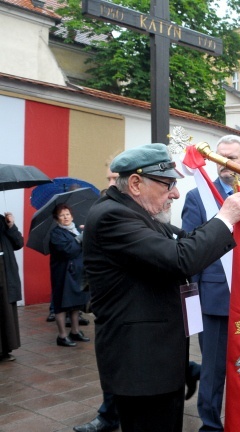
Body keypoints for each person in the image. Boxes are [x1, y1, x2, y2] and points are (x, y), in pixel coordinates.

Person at [83, 143, 240, 432]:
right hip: (141, 367)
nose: (175, 193)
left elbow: (188, 239)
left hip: (158, 362)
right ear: (135, 183)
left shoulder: (139, 214)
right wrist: (225, 218)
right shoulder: (113, 217)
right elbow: (180, 258)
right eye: (168, 184)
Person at [181, 135, 240, 432]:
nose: (225, 164)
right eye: (219, 158)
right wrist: (192, 303)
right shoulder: (198, 196)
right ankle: (210, 424)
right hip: (214, 297)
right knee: (213, 368)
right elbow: (189, 250)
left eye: (231, 158)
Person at [74, 163, 121, 432]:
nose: (111, 182)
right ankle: (109, 414)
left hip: (123, 302)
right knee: (112, 360)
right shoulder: (103, 206)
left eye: (115, 177)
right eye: (108, 178)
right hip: (107, 299)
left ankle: (109, 416)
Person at [49, 204, 90, 347]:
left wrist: (87, 235)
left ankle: (75, 331)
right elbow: (68, 251)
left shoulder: (77, 229)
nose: (65, 217)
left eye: (67, 214)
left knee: (76, 303)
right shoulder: (56, 234)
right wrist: (79, 239)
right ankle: (62, 335)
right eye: (61, 215)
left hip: (78, 271)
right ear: (56, 219)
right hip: (63, 273)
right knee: (61, 303)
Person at [0, 211, 24, 362]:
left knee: (6, 311)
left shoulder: (3, 220)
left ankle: (6, 349)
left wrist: (11, 226)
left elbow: (18, 243)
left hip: (6, 272)